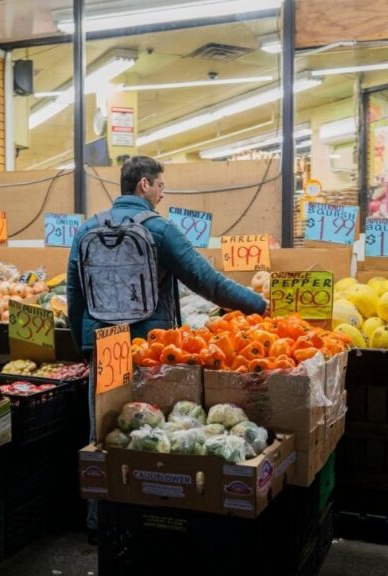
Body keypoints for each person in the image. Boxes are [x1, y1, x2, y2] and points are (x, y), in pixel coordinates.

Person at [66, 155, 267, 536]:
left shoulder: (87, 229)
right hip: (149, 348)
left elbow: (75, 295)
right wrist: (259, 305)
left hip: (103, 346)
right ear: (144, 184)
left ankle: (101, 524)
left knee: (101, 436)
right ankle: (152, 521)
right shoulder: (159, 229)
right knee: (152, 433)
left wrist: (84, 344)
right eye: (160, 185)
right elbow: (206, 281)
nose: (162, 192)